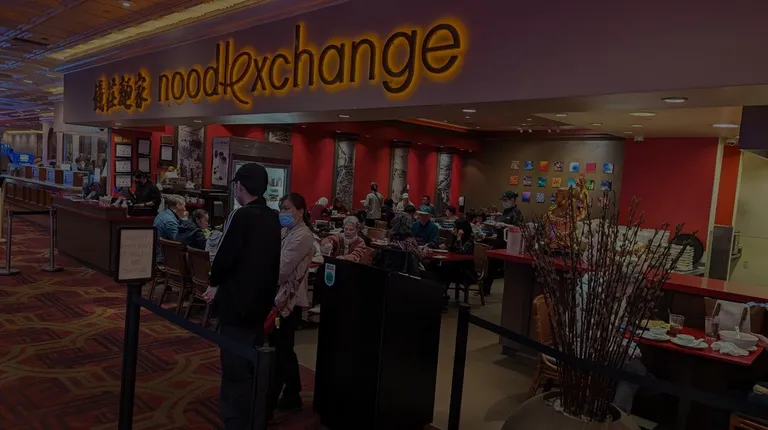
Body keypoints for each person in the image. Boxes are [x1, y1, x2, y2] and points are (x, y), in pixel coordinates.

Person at [204, 163, 281, 430]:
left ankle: (237, 419)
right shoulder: (272, 217)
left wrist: (214, 282)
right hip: (262, 302)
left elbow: (225, 257)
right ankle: (257, 413)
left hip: (237, 303)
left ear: (240, 186)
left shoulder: (241, 216)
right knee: (253, 361)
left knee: (234, 366)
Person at [271, 192, 315, 412]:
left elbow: (281, 270)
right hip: (279, 298)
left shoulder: (303, 236)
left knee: (283, 349)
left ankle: (280, 395)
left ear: (300, 211)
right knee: (282, 348)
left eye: (287, 208)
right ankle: (292, 392)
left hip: (289, 302)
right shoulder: (285, 231)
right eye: (281, 208)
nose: (283, 213)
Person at [152, 194, 186, 264]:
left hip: (157, 254)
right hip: (162, 258)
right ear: (178, 206)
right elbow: (179, 242)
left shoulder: (162, 214)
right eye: (184, 206)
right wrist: (184, 219)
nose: (185, 209)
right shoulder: (170, 221)